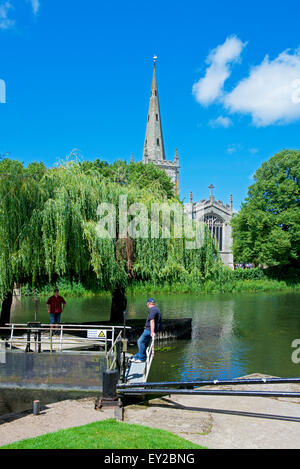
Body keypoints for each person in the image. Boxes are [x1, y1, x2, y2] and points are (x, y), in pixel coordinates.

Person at [131, 298, 162, 363]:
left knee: (140, 342)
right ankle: (137, 356)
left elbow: (152, 320)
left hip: (149, 330)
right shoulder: (156, 309)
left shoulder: (153, 309)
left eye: (147, 304)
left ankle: (142, 358)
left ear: (148, 303)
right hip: (149, 330)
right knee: (144, 343)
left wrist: (152, 331)